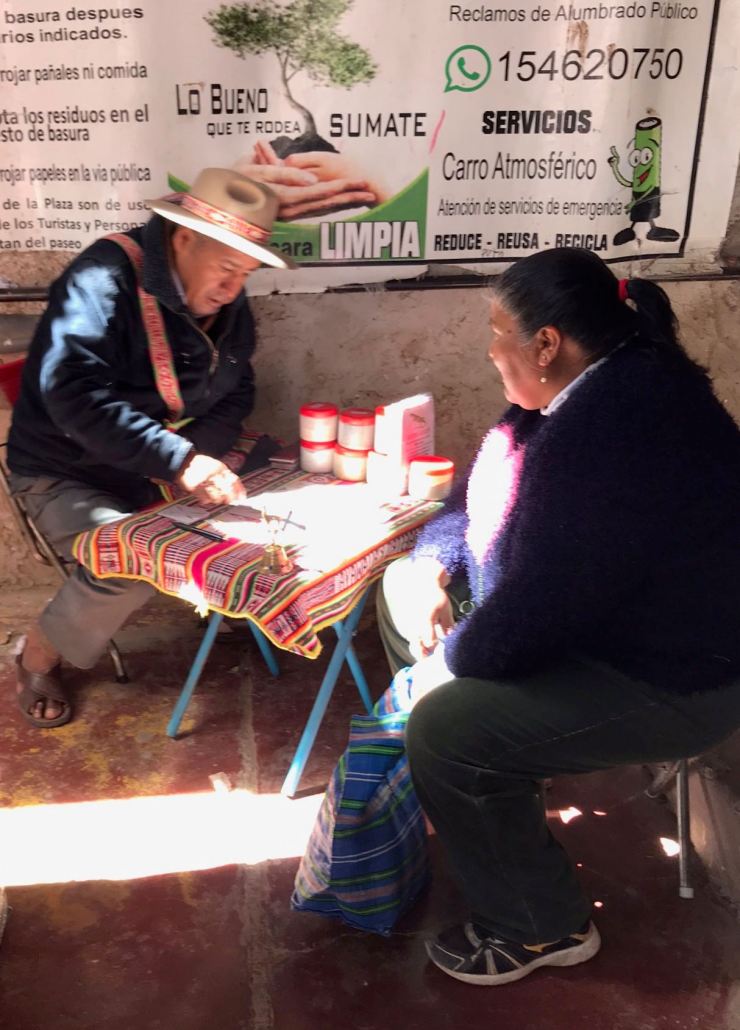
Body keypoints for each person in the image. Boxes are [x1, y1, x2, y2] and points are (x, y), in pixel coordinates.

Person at [376, 247, 740, 986]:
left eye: (498, 329)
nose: (488, 347)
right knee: (399, 591)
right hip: (583, 627)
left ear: (547, 342)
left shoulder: (624, 424)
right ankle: (491, 799)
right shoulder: (567, 395)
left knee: (446, 730)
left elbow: (549, 602)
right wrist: (431, 568)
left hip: (672, 678)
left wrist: (448, 668)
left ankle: (540, 926)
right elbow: (475, 501)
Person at [8, 167, 293, 728]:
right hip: (66, 470)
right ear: (182, 239)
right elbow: (71, 395)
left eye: (247, 272)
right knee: (131, 560)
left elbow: (239, 388)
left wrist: (195, 458)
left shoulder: (222, 301)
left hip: (156, 462)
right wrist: (181, 462)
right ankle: (37, 654)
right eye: (226, 267)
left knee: (279, 491)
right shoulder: (101, 278)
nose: (234, 288)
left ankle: (227, 599)